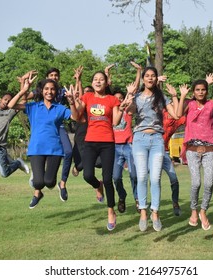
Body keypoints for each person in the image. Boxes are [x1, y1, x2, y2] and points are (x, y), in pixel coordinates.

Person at [8, 76, 78, 209]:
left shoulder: (60, 108)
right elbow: (10, 105)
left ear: (56, 92)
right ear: (41, 91)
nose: (49, 92)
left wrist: (72, 101)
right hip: (36, 149)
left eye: (52, 89)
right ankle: (38, 194)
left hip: (55, 150)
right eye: (46, 89)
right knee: (38, 183)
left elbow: (75, 117)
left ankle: (55, 184)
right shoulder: (33, 106)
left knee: (50, 182)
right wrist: (23, 91)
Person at [74, 71, 133, 231]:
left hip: (107, 142)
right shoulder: (87, 97)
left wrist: (121, 108)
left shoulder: (112, 99)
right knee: (87, 175)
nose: (98, 81)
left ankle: (111, 211)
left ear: (107, 83)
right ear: (92, 83)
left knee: (108, 179)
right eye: (95, 79)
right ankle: (97, 185)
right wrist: (72, 101)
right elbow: (77, 114)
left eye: (101, 79)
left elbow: (115, 121)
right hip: (90, 142)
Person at [176, 79, 213, 231]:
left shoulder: (211, 104)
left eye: (203, 89)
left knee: (208, 183)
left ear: (206, 91)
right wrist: (182, 96)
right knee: (196, 183)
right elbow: (177, 114)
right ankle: (194, 211)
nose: (200, 92)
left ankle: (203, 211)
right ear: (193, 92)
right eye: (197, 90)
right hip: (192, 150)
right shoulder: (190, 104)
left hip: (209, 150)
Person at [128, 66, 179, 232]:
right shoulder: (136, 97)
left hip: (157, 139)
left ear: (156, 79)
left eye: (153, 76)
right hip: (140, 139)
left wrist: (176, 96)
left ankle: (155, 212)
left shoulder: (161, 97)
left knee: (155, 178)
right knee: (142, 176)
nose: (150, 78)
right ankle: (143, 211)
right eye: (147, 76)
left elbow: (176, 115)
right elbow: (129, 112)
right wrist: (129, 95)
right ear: (143, 79)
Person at [24, 68, 73, 202]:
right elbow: (23, 100)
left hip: (58, 124)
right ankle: (37, 189)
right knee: (39, 181)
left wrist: (73, 95)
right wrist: (23, 85)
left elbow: (76, 112)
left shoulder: (63, 91)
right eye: (51, 75)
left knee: (68, 151)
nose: (54, 77)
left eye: (56, 75)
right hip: (41, 133)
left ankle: (62, 183)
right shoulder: (36, 101)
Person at [112, 92, 138, 213]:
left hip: (129, 146)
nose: (119, 100)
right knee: (116, 177)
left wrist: (131, 94)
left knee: (134, 175)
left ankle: (138, 199)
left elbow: (133, 105)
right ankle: (122, 196)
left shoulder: (128, 110)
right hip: (115, 148)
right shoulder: (110, 112)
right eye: (116, 99)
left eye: (121, 98)